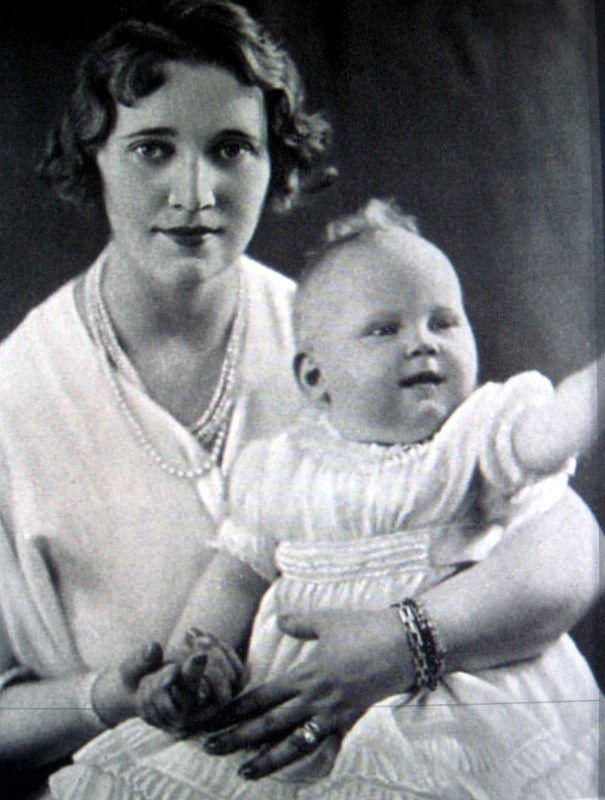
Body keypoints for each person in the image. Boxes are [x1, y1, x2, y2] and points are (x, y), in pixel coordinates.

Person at [0, 2, 599, 797]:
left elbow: (563, 542)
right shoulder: (17, 392)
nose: (195, 191)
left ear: (272, 162)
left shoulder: (357, 327)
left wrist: (406, 641)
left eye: (231, 149)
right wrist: (113, 695)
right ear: (94, 157)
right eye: (151, 149)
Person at [50, 199, 602, 800]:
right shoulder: (282, 467)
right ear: (315, 378)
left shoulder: (472, 440)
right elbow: (236, 574)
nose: (422, 344)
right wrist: (193, 661)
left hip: (446, 710)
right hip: (288, 711)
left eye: (443, 321)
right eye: (383, 329)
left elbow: (550, 433)